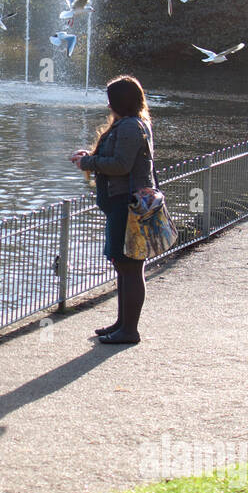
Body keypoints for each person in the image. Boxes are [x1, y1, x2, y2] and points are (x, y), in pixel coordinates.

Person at [69, 75, 156, 345]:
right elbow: (118, 158)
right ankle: (122, 323)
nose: (108, 106)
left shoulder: (130, 126)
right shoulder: (131, 123)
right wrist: (92, 157)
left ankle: (129, 330)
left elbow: (121, 165)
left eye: (111, 101)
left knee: (130, 266)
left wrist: (89, 163)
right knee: (123, 264)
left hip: (127, 205)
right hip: (121, 202)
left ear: (121, 101)